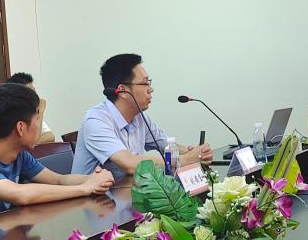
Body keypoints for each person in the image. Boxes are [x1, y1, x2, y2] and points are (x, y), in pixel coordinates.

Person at [0, 83, 115, 223]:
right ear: (21, 128)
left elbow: (58, 180)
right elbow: (20, 195)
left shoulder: (18, 154)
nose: (40, 126)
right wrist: (85, 188)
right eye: (38, 119)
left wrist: (95, 179)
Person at [71, 53, 212, 182]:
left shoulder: (139, 116)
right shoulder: (96, 120)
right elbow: (129, 164)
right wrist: (186, 159)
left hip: (128, 192)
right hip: (94, 199)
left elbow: (166, 146)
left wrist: (192, 151)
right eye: (145, 83)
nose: (151, 89)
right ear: (122, 91)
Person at [6, 72, 57, 144]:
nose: (35, 96)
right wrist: (40, 112)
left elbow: (50, 136)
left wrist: (32, 143)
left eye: (34, 91)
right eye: (30, 93)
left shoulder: (31, 112)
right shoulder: (7, 115)